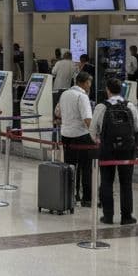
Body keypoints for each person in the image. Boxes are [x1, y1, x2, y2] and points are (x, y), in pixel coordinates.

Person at [91, 77, 138, 226]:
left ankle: (108, 216)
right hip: (127, 150)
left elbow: (92, 130)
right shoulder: (130, 106)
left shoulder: (101, 107)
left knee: (107, 181)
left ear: (107, 90)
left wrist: (99, 141)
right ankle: (126, 217)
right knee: (126, 183)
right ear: (121, 90)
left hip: (107, 149)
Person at [56, 71, 95, 207]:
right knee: (86, 168)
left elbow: (58, 113)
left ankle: (71, 195)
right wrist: (95, 136)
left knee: (70, 166)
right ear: (84, 82)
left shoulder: (64, 94)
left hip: (66, 135)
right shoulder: (82, 96)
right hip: (81, 136)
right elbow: (88, 119)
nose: (90, 85)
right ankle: (87, 198)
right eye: (89, 82)